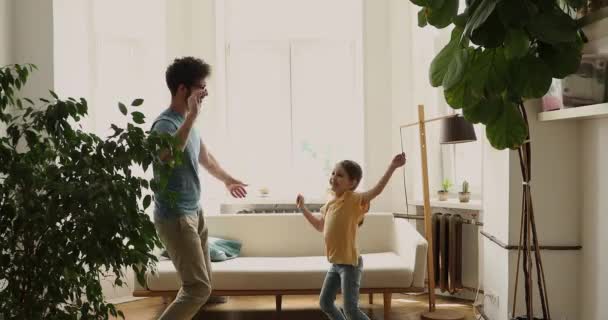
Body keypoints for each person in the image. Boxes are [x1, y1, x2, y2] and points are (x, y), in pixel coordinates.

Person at [151, 56, 247, 320]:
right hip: (175, 217)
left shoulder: (188, 123)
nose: (205, 93)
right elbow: (166, 156)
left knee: (204, 284)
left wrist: (228, 179)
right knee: (197, 288)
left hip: (194, 211)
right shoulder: (164, 124)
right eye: (201, 88)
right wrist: (191, 116)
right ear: (183, 89)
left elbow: (205, 157)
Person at [296, 153, 406, 320]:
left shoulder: (354, 199)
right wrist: (303, 208)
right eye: (333, 173)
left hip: (350, 265)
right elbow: (320, 226)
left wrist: (392, 167)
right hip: (335, 264)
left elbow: (377, 190)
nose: (334, 177)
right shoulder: (330, 204)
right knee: (325, 303)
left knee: (351, 310)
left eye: (340, 175)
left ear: (352, 183)